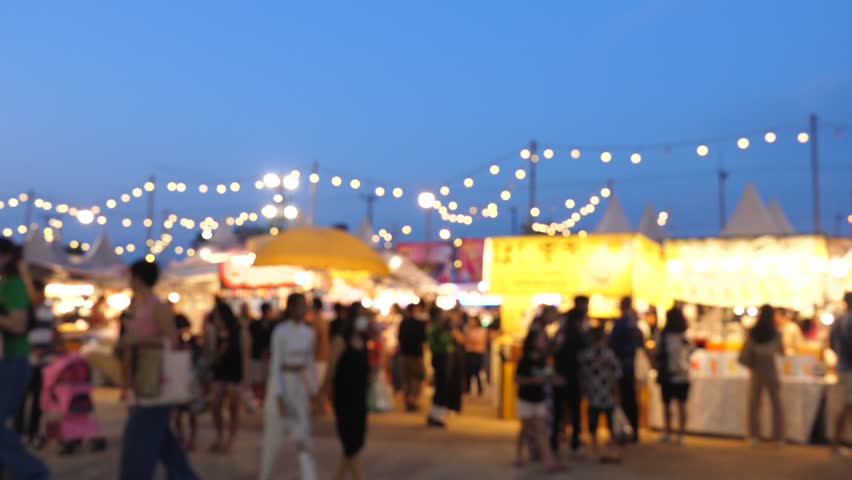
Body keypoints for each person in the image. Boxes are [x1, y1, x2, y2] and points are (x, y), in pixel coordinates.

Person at [118, 259, 198, 480]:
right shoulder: (140, 305)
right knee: (162, 441)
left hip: (156, 380)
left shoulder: (157, 306)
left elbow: (171, 342)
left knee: (140, 440)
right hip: (145, 377)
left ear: (138, 278)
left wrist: (137, 339)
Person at [0, 240, 49, 480]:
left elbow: (17, 325)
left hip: (14, 360)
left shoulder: (14, 285)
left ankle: (31, 470)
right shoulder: (9, 284)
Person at [260, 293, 318, 480]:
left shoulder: (309, 333)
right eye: (300, 306)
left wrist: (315, 391)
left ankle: (309, 475)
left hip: (299, 385)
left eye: (305, 306)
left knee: (304, 434)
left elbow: (309, 363)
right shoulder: (280, 331)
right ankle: (265, 474)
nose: (303, 310)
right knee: (274, 437)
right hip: (282, 383)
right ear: (291, 308)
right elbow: (275, 363)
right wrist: (278, 394)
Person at [322, 303, 371, 480]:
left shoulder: (363, 342)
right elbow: (330, 371)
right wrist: (322, 396)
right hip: (344, 400)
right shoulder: (340, 341)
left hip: (360, 399)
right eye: (361, 316)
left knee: (354, 445)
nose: (364, 320)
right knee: (351, 444)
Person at [15, 279, 62, 449]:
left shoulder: (48, 312)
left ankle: (33, 432)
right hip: (26, 360)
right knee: (21, 399)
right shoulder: (24, 311)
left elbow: (55, 332)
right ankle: (19, 433)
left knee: (38, 400)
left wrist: (53, 349)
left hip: (44, 361)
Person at [513, 327, 566, 473]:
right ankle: (520, 454)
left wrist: (554, 380)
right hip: (525, 399)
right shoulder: (525, 360)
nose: (544, 341)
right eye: (541, 338)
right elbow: (517, 379)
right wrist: (535, 380)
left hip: (538, 399)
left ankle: (547, 461)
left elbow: (547, 375)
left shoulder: (543, 359)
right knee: (526, 428)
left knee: (540, 429)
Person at [206, 298, 251, 454]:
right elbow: (210, 354)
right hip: (220, 370)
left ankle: (230, 439)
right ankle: (220, 436)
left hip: (234, 371)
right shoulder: (216, 333)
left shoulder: (239, 331)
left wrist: (245, 378)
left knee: (233, 407)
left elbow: (245, 356)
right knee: (215, 404)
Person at [738, 304, 785, 446]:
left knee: (754, 403)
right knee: (777, 403)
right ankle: (778, 437)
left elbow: (746, 351)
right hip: (770, 367)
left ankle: (753, 435)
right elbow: (781, 351)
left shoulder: (752, 332)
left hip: (756, 368)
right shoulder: (776, 333)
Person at [580, 327, 623, 463]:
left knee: (593, 423)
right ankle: (612, 451)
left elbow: (582, 375)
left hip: (593, 393)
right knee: (611, 424)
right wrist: (617, 394)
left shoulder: (586, 355)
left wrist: (584, 390)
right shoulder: (609, 354)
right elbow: (616, 375)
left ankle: (594, 449)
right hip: (607, 393)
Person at [551, 297, 588, 454]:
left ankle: (555, 439)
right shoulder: (578, 334)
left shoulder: (563, 331)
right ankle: (574, 439)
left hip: (561, 373)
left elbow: (555, 350)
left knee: (559, 408)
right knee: (574, 408)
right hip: (573, 374)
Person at [655, 306, 692, 445]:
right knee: (681, 404)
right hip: (682, 374)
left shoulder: (664, 335)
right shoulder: (685, 335)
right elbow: (690, 352)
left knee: (667, 404)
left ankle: (668, 431)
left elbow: (656, 352)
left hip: (669, 374)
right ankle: (680, 434)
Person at [609, 296, 643, 443]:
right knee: (629, 397)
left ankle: (626, 429)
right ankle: (632, 429)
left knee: (623, 397)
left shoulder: (623, 322)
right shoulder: (632, 322)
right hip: (628, 362)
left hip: (623, 363)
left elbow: (613, 341)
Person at [426, 308, 464, 428]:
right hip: (442, 358)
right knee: (442, 386)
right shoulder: (437, 328)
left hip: (443, 357)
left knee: (443, 386)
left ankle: (436, 414)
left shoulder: (439, 327)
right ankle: (436, 415)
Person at [173, 314, 201, 452]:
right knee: (180, 413)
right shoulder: (175, 342)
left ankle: (189, 439)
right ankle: (183, 438)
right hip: (184, 379)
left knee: (189, 412)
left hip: (188, 379)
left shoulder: (190, 341)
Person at [830, 292, 852, 457]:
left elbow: (832, 343)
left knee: (845, 406)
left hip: (843, 366)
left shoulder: (840, 319)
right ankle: (836, 444)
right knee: (846, 406)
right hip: (848, 368)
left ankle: (837, 444)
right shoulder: (848, 320)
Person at [397, 303, 427, 411]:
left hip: (404, 354)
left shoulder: (403, 323)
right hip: (416, 355)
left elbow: (399, 338)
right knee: (417, 378)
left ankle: (407, 400)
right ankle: (413, 399)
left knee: (406, 379)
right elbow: (424, 340)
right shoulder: (419, 324)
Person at [463, 314, 487, 396]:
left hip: (477, 353)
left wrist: (468, 340)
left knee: (476, 372)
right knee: (468, 372)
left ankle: (479, 389)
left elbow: (476, 340)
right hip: (469, 352)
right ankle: (468, 389)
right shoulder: (468, 329)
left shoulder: (481, 330)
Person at [311, 297, 331, 392]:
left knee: (315, 387)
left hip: (317, 358)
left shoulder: (316, 321)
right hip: (322, 357)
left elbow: (314, 341)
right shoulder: (323, 320)